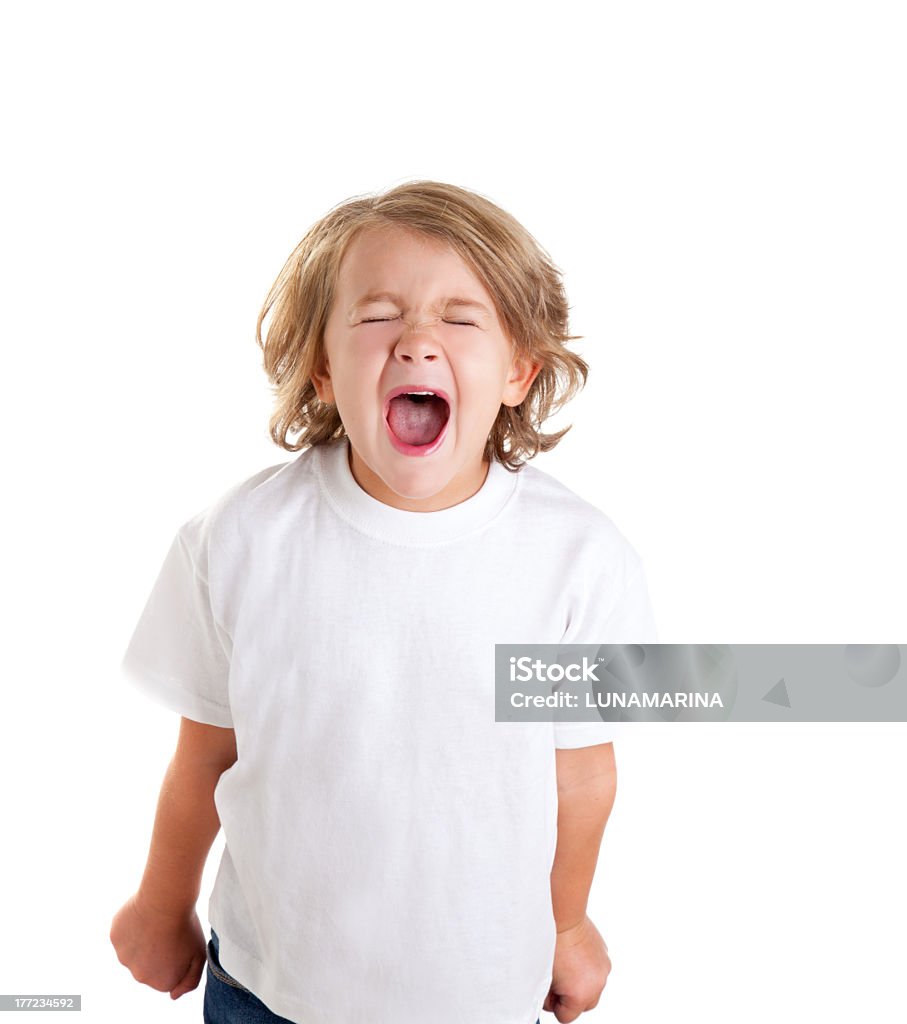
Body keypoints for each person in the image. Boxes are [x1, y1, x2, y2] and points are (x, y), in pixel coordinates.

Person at [109, 180, 658, 1024]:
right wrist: (159, 904)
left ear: (518, 370)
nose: (415, 342)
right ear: (322, 369)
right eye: (376, 316)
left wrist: (568, 923)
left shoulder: (573, 560)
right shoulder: (242, 539)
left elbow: (580, 775)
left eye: (460, 318)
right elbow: (204, 755)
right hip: (267, 986)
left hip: (479, 991)